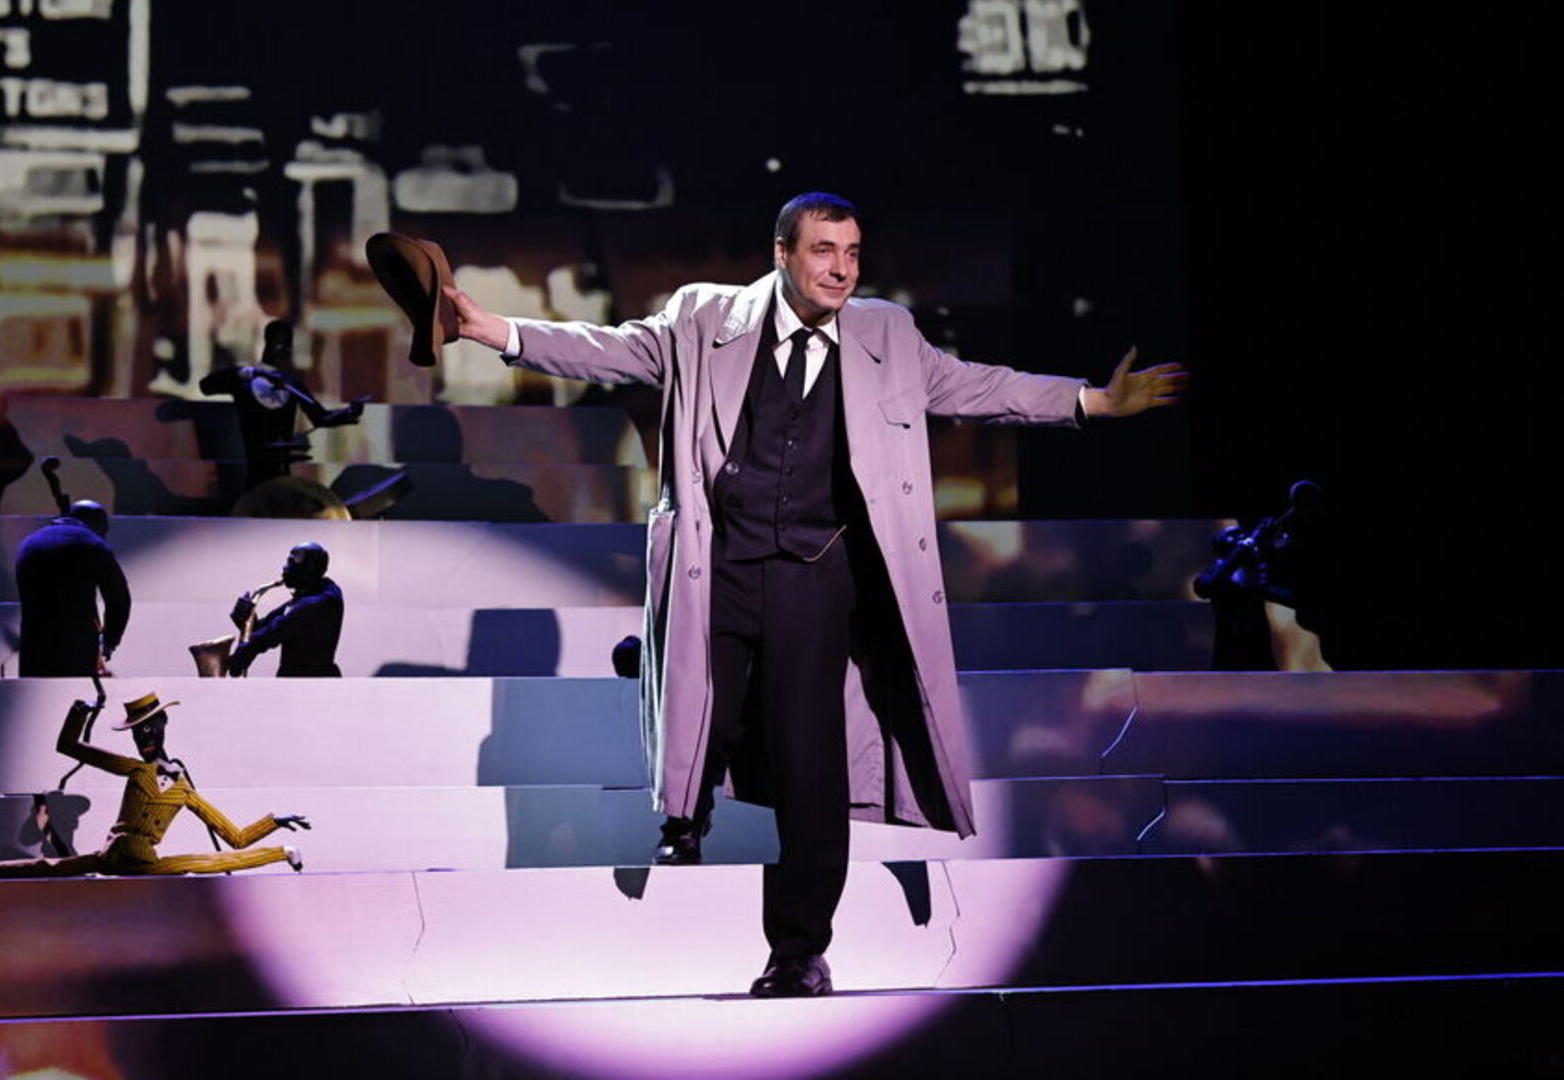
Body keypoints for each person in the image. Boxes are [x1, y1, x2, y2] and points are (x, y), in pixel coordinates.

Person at [441, 192, 1184, 997]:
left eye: (853, 253)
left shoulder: (885, 334)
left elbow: (973, 385)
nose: (841, 269)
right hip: (719, 561)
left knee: (810, 762)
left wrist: (1091, 400)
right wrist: (494, 331)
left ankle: (798, 951)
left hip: (817, 574)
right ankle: (687, 807)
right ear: (783, 254)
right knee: (707, 713)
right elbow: (612, 350)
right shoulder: (704, 317)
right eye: (824, 251)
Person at [0, 692, 309, 878]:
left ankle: (284, 852)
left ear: (163, 725)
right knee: (45, 865)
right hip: (110, 855)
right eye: (137, 732)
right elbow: (69, 746)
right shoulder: (136, 770)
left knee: (208, 862)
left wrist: (274, 822)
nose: (144, 737)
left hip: (145, 864)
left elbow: (235, 840)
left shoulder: (184, 791)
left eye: (150, 729)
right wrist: (79, 713)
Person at [199, 320, 366, 489]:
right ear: (267, 343)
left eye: (287, 347)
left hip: (283, 471)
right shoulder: (244, 381)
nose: (283, 352)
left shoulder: (292, 385)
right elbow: (206, 386)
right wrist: (250, 372)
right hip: (249, 470)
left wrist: (349, 412)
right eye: (278, 344)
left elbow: (320, 417)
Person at [14, 500, 130, 677]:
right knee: (75, 692)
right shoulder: (93, 543)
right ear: (98, 523)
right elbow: (118, 599)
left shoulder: (29, 543)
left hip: (34, 649)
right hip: (76, 650)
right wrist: (109, 641)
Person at [226, 542, 346, 677]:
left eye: (292, 563)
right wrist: (246, 620)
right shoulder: (306, 596)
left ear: (310, 568)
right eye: (288, 562)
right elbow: (265, 628)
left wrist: (244, 654)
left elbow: (278, 629)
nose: (286, 568)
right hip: (294, 678)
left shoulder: (323, 600)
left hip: (314, 680)